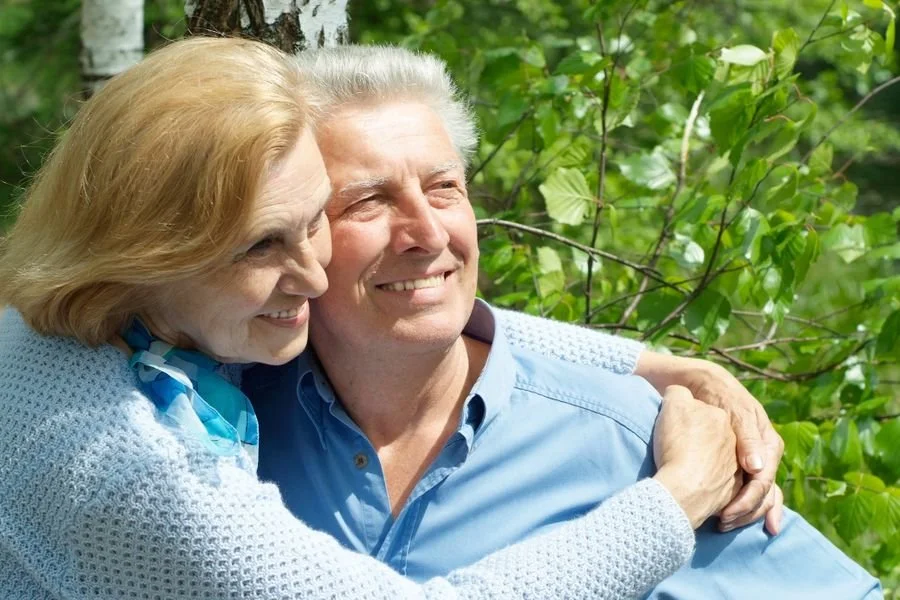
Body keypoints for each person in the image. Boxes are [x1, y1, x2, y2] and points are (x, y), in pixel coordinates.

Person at [0, 36, 748, 600]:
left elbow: (420, 295)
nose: (315, 273)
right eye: (263, 244)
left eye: (314, 220)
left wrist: (655, 365)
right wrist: (676, 499)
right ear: (147, 252)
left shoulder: (84, 323)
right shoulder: (122, 469)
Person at [244, 44, 883, 598]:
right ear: (290, 232)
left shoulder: (641, 444)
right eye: (370, 199)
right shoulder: (215, 424)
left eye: (445, 188)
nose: (429, 232)